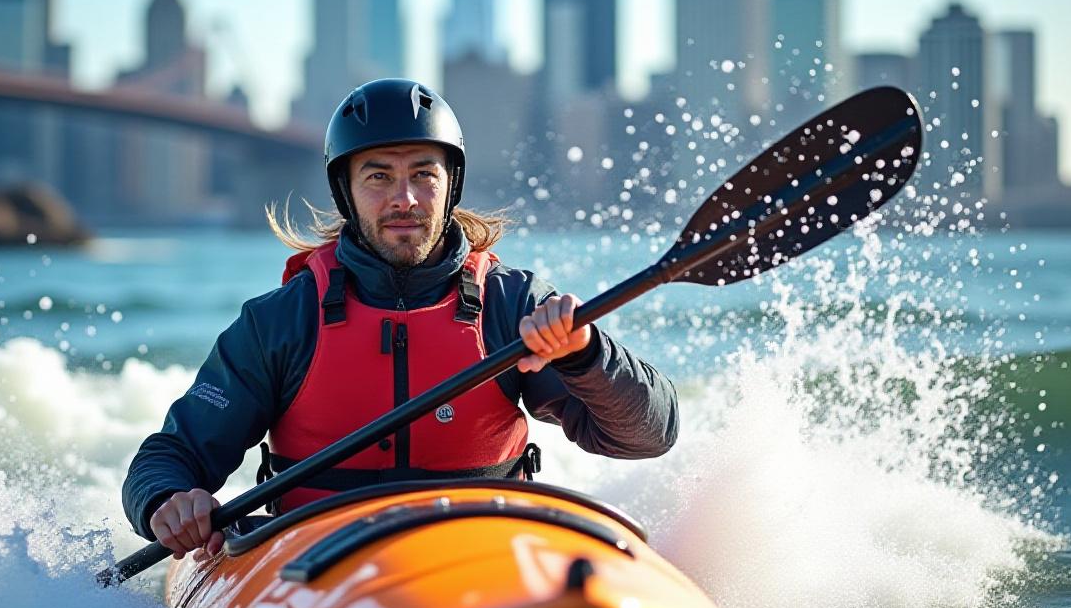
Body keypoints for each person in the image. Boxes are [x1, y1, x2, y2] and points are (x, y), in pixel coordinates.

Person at [122, 78, 679, 562]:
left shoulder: (513, 304)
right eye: (379, 177)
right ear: (347, 191)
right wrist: (168, 501)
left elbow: (650, 435)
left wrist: (584, 354)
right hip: (319, 560)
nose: (405, 199)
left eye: (423, 175)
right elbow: (170, 457)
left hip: (481, 550)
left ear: (450, 184)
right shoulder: (282, 320)